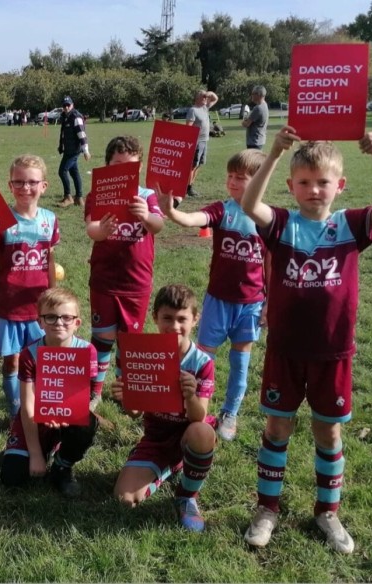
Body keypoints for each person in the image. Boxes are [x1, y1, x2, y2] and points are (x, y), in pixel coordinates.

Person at [240, 128, 372, 553]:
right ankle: (267, 508)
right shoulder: (282, 224)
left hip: (333, 353)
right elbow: (249, 204)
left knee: (328, 433)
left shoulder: (350, 225)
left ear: (340, 185)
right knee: (277, 427)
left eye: (323, 182)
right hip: (285, 350)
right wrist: (274, 154)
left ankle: (327, 511)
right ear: (291, 186)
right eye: (304, 182)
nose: (314, 190)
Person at [159, 149, 268, 441]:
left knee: (240, 362)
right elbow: (193, 219)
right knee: (201, 356)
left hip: (251, 305)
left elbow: (271, 263)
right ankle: (190, 405)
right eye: (230, 176)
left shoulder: (267, 218)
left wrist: (269, 302)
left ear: (261, 180)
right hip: (218, 301)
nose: (232, 182)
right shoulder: (223, 210)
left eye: (240, 177)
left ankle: (230, 413)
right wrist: (171, 212)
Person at [112, 285, 217, 532]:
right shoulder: (142, 354)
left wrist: (190, 395)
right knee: (123, 499)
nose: (174, 326)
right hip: (156, 437)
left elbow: (199, 416)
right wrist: (127, 398)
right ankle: (168, 467)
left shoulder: (202, 362)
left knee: (202, 432)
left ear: (195, 319)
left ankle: (187, 496)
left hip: (189, 433)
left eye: (182, 319)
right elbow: (135, 414)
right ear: (155, 317)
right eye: (167, 318)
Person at [0, 155, 59, 417]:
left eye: (32, 182)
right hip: (9, 306)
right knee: (12, 360)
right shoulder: (1, 219)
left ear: (44, 186)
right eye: (19, 182)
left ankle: (39, 405)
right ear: (10, 185)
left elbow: (50, 260)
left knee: (41, 358)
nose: (25, 187)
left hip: (39, 308)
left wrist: (53, 296)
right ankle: (17, 411)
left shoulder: (50, 219)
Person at [84, 136, 164, 410]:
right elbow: (91, 229)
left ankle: (124, 391)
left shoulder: (146, 196)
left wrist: (146, 215)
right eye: (116, 164)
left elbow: (158, 226)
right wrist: (102, 230)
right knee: (102, 338)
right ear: (107, 165)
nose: (122, 170)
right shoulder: (98, 194)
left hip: (136, 283)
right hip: (104, 281)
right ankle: (95, 391)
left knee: (129, 342)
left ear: (138, 167)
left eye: (129, 165)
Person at [0, 288, 100, 497]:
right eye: (51, 317)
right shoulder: (29, 354)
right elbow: (27, 406)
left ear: (77, 322)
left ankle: (62, 466)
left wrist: (64, 414)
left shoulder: (86, 351)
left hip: (67, 418)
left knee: (88, 422)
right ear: (40, 322)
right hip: (34, 419)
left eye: (66, 317)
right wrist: (35, 454)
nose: (59, 323)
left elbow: (83, 398)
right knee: (12, 478)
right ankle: (43, 449)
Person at [56, 96, 91, 208]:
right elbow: (64, 133)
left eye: (68, 105)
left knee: (62, 171)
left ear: (72, 105)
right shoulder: (65, 116)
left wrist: (86, 150)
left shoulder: (76, 117)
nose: (66, 107)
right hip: (68, 149)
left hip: (74, 150)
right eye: (64, 105)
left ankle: (68, 197)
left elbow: (82, 134)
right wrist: (61, 146)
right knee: (74, 172)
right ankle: (79, 198)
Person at [185, 90, 219, 200]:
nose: (205, 98)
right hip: (197, 142)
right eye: (203, 96)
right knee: (193, 165)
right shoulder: (193, 110)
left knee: (199, 164)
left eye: (206, 97)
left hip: (205, 140)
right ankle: (188, 187)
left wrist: (209, 93)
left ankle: (190, 185)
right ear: (197, 98)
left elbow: (215, 98)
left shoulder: (205, 108)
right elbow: (188, 127)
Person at [242, 85, 269, 150]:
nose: (251, 96)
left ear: (258, 94)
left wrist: (243, 121)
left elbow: (246, 124)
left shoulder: (258, 108)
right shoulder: (265, 105)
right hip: (260, 140)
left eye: (253, 94)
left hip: (254, 142)